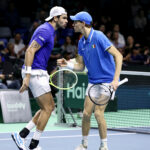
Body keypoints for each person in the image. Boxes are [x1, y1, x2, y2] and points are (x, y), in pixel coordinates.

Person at [57, 11, 123, 150]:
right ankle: (84, 144)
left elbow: (118, 56)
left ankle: (104, 146)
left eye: (75, 22)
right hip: (93, 82)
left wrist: (115, 79)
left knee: (98, 113)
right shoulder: (81, 42)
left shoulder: (98, 36)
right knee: (86, 114)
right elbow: (80, 67)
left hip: (107, 81)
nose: (73, 24)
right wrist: (67, 64)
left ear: (83, 23)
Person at [11, 6, 68, 150]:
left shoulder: (49, 31)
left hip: (39, 70)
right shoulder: (45, 30)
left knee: (47, 108)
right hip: (35, 73)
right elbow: (30, 51)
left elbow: (39, 54)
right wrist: (28, 76)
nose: (66, 21)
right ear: (55, 18)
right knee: (48, 108)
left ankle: (22, 135)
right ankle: (33, 145)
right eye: (64, 18)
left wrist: (54, 63)